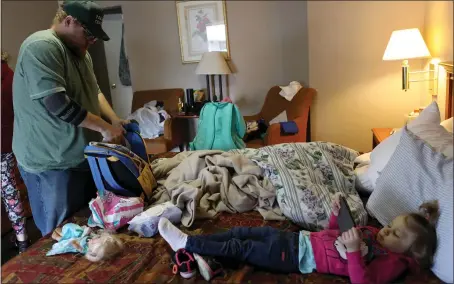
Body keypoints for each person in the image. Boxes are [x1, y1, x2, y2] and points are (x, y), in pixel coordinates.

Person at [12, 1, 126, 236]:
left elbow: (94, 91)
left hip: (81, 156)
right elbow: (56, 103)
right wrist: (104, 128)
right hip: (51, 162)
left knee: (87, 225)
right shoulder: (41, 46)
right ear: (69, 21)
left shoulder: (82, 55)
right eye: (89, 33)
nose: (92, 41)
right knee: (59, 233)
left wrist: (114, 119)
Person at [158, 193, 439, 283]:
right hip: (296, 239)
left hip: (294, 258)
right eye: (391, 225)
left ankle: (187, 244)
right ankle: (203, 252)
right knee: (241, 232)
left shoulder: (392, 262)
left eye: (397, 233)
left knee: (241, 248)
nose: (386, 230)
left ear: (410, 252)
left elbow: (362, 280)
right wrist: (335, 215)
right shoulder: (375, 235)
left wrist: (354, 251)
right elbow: (334, 235)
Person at [1, 55, 29, 253]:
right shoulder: (10, 75)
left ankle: (22, 240)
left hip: (4, 145)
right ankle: (22, 241)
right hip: (7, 143)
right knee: (10, 191)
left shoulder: (8, 77)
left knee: (10, 192)